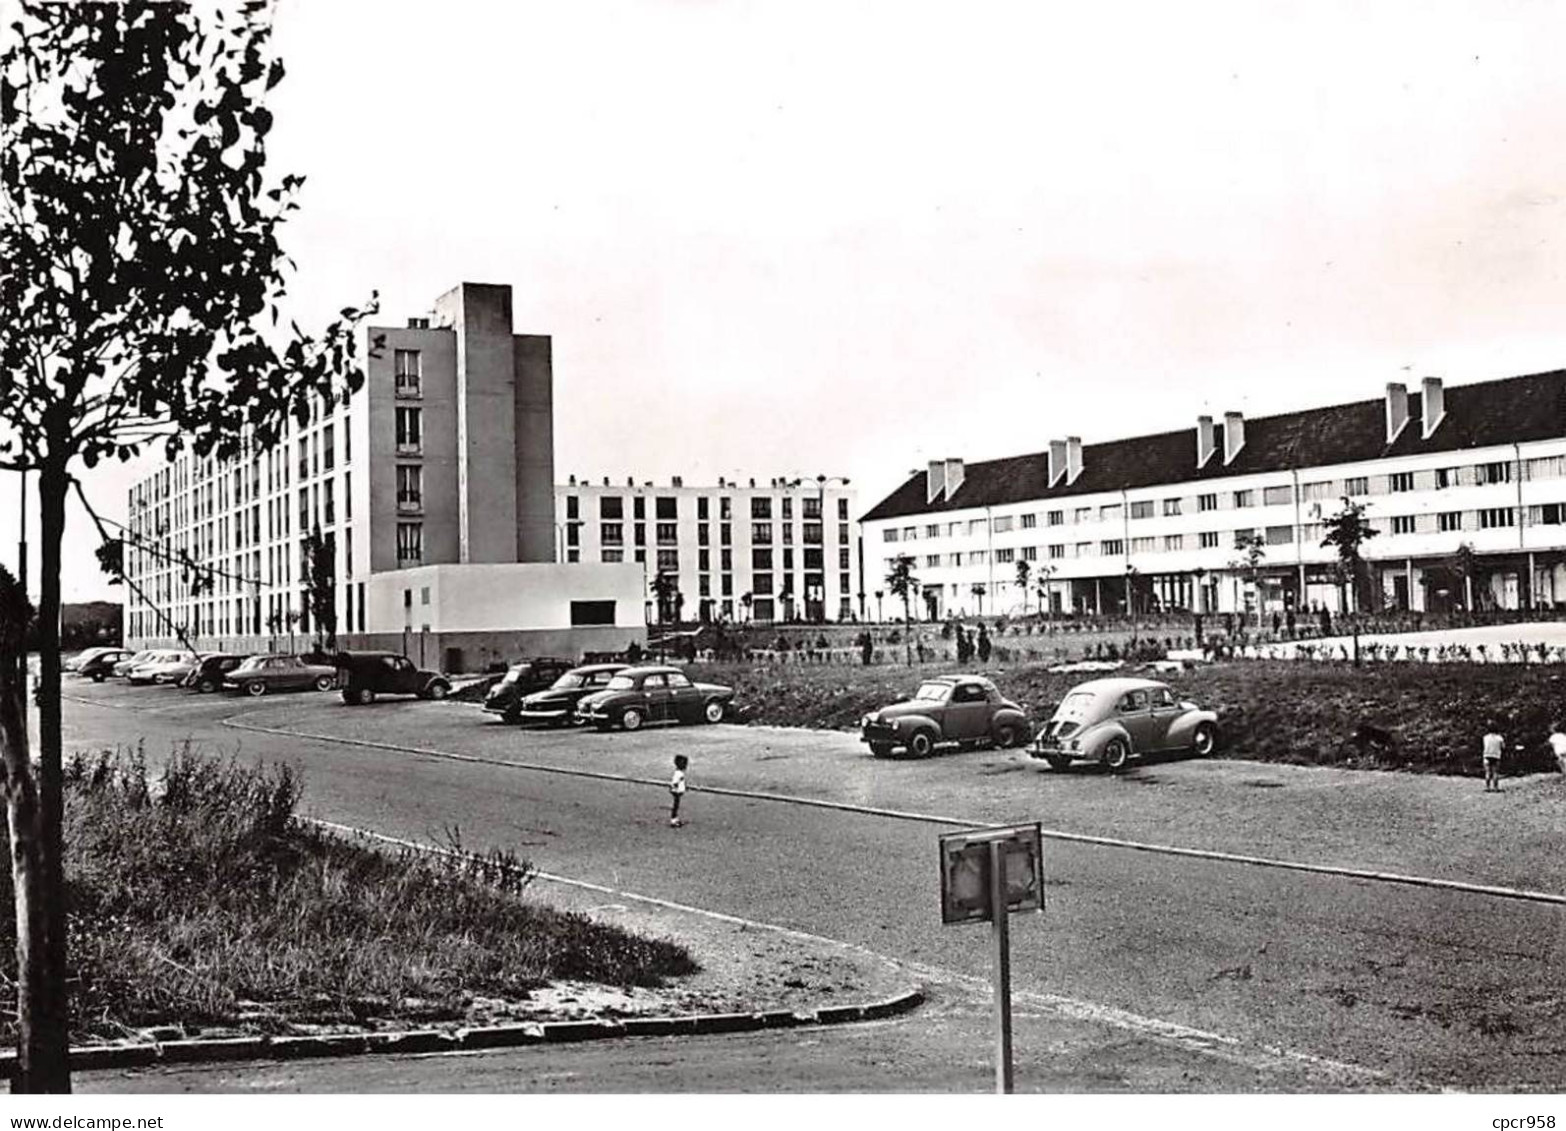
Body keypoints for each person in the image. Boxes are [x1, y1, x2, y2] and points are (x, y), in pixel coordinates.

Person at [1482, 724, 1504, 793]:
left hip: (1487, 755)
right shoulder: (1500, 738)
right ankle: (1495, 787)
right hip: (1496, 756)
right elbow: (1503, 747)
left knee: (1487, 772)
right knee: (1495, 772)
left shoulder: (1485, 737)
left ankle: (1487, 787)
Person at [669, 754, 689, 827]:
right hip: (676, 792)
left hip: (677, 792)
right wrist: (674, 788)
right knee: (675, 806)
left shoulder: (679, 773)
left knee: (676, 806)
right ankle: (673, 820)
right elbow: (675, 782)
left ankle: (675, 819)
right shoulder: (678, 774)